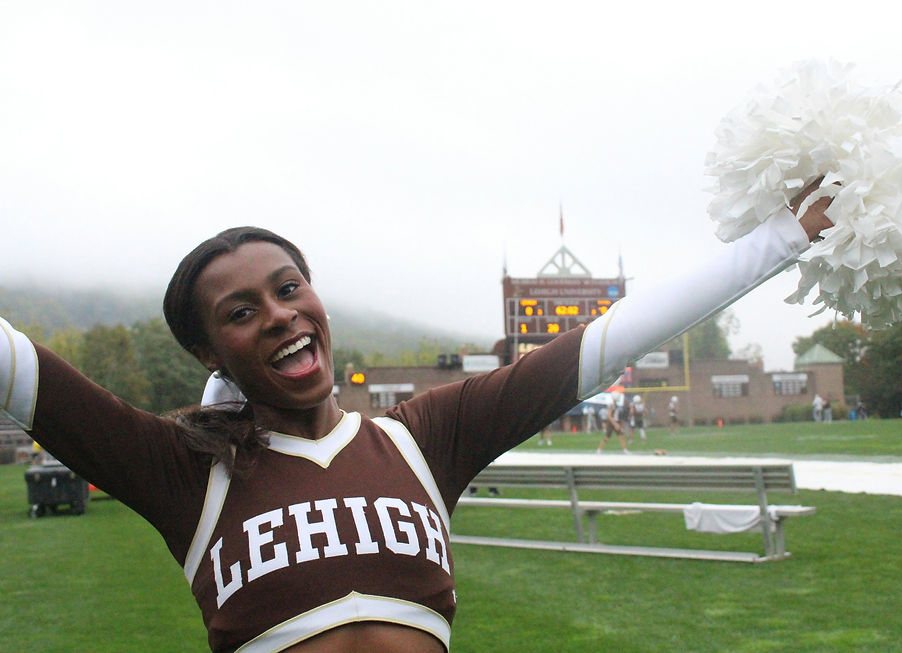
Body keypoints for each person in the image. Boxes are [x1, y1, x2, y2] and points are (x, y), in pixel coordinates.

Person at [0, 182, 833, 651]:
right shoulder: (184, 468)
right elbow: (18, 368)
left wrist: (785, 234)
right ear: (208, 351)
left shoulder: (425, 436)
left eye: (289, 288)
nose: (281, 314)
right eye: (242, 311)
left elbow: (612, 339)